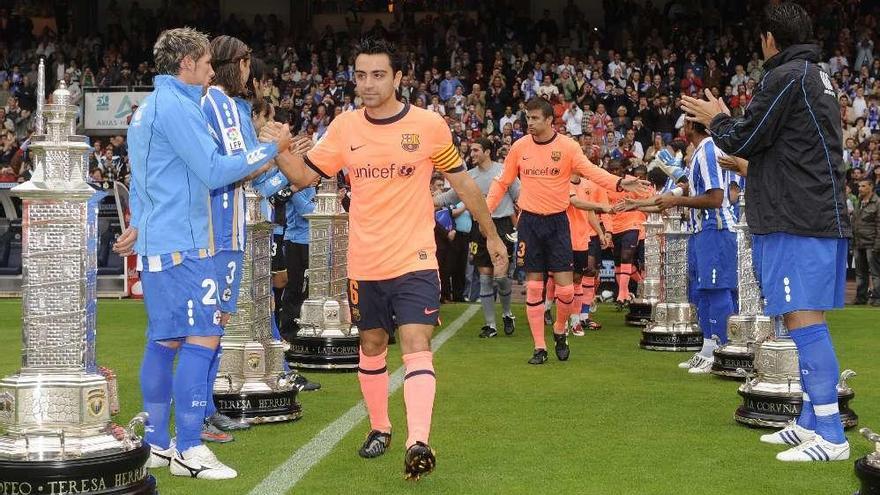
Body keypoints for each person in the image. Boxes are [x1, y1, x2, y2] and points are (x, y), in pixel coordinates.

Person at [272, 38, 509, 481]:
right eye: (360, 75)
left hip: (416, 256)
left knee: (417, 344)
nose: (368, 84)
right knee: (373, 346)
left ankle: (418, 441)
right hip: (364, 261)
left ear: (398, 78)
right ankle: (379, 426)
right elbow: (305, 176)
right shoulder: (344, 129)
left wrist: (493, 238)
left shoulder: (428, 126)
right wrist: (283, 149)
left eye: (378, 75)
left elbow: (463, 185)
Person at [112, 27, 287, 479]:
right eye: (207, 62)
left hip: (161, 242)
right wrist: (272, 149)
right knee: (204, 337)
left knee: (164, 340)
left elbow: (151, 178)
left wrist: (140, 225)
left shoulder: (151, 106)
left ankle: (154, 444)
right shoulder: (177, 108)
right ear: (187, 63)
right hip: (184, 246)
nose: (213, 71)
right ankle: (189, 447)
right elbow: (214, 170)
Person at [681, 2, 852, 462]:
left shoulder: (787, 76)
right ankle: (810, 421)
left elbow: (743, 137)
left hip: (797, 216)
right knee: (801, 318)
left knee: (803, 320)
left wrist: (717, 117)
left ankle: (833, 437)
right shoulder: (816, 75)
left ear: (769, 39)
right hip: (812, 212)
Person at [486, 97, 647, 365]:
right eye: (528, 118)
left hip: (559, 223)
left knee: (565, 291)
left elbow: (592, 172)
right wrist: (485, 211)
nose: (531, 123)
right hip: (530, 223)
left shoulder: (567, 147)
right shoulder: (520, 147)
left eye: (536, 118)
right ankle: (540, 347)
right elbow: (502, 182)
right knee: (535, 287)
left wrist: (620, 183)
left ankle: (560, 329)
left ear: (550, 120)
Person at [655, 121, 738, 373]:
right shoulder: (701, 152)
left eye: (685, 121)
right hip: (702, 229)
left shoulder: (709, 150)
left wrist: (679, 200)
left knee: (717, 289)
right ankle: (708, 348)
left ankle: (724, 349)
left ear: (692, 125)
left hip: (717, 227)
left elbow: (716, 198)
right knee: (701, 291)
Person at [434, 137, 520, 338]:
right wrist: (429, 201)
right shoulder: (469, 176)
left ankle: (507, 313)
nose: (471, 154)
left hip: (502, 225)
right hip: (477, 227)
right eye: (471, 151)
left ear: (487, 151)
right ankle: (491, 325)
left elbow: (520, 195)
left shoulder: (503, 171)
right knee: (484, 277)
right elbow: (450, 197)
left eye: (476, 150)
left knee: (501, 277)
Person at [851, 178, 880, 306]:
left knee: (875, 272)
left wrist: (877, 244)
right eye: (859, 186)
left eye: (863, 186)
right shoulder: (859, 201)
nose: (860, 188)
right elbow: (855, 222)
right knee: (860, 273)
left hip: (871, 243)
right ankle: (860, 297)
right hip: (858, 242)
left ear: (870, 187)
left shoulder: (877, 203)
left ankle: (877, 298)